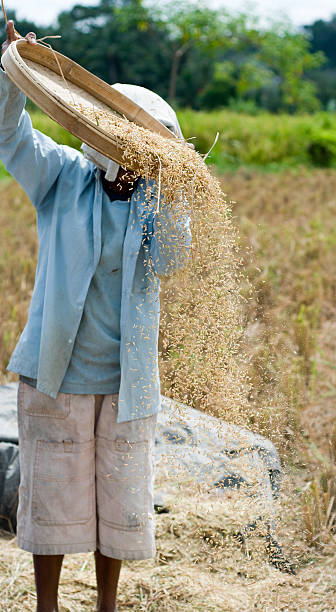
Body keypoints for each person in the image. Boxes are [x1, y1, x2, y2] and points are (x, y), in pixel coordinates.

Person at [0, 21, 191, 612]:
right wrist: (14, 69)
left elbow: (174, 258)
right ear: (101, 141)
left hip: (123, 381)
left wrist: (169, 189)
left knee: (120, 503)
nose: (133, 161)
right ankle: (48, 606)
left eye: (147, 152)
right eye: (127, 147)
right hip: (57, 373)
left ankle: (107, 604)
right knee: (51, 500)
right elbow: (9, 133)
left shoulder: (154, 205)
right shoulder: (61, 177)